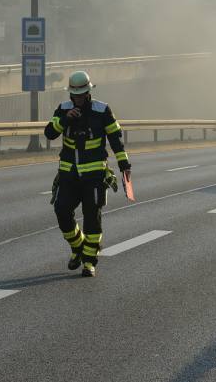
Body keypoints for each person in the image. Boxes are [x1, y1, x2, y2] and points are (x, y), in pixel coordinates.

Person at [44, 71, 131, 277]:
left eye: (82, 94)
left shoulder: (102, 110)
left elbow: (116, 139)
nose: (79, 99)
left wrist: (124, 164)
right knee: (62, 211)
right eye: (76, 95)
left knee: (92, 218)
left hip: (94, 177)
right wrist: (65, 120)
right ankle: (77, 247)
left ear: (89, 92)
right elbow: (49, 133)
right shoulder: (63, 109)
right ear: (70, 94)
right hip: (68, 174)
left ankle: (89, 262)